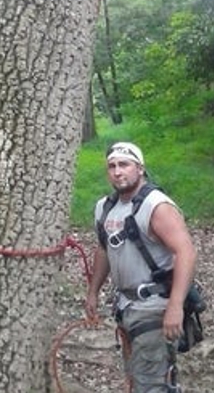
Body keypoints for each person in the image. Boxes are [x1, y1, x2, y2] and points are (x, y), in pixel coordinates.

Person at [85, 141, 198, 393]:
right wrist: (93, 291)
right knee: (136, 375)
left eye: (124, 165)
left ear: (140, 168)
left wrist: (175, 306)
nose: (117, 171)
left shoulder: (157, 206)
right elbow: (104, 249)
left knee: (151, 382)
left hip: (154, 308)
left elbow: (186, 252)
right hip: (125, 306)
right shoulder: (104, 208)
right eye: (112, 166)